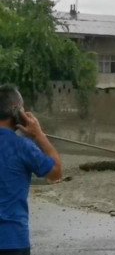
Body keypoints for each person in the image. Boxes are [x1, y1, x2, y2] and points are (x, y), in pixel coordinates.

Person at [0, 85, 61, 255]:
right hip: (13, 240)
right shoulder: (23, 147)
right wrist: (38, 135)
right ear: (16, 112)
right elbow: (56, 172)